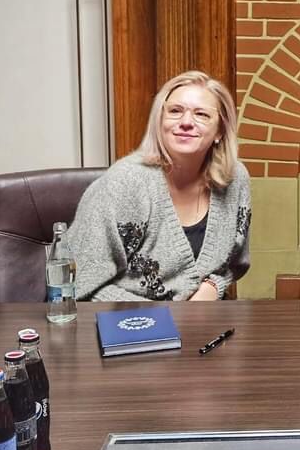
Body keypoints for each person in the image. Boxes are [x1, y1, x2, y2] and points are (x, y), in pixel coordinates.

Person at [72, 71, 251, 301]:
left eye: (201, 114)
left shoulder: (235, 178)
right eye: (175, 111)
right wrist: (163, 316)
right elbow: (81, 283)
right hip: (125, 318)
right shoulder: (124, 182)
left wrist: (213, 286)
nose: (186, 122)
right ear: (159, 121)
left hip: (203, 318)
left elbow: (233, 263)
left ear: (220, 131)